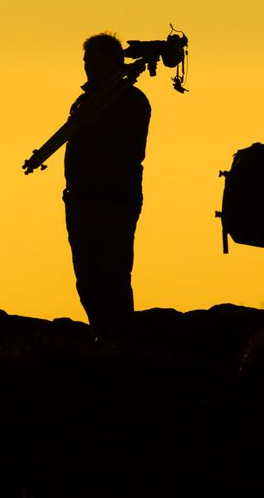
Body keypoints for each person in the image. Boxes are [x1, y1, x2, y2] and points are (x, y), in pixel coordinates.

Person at [63, 33, 151, 343]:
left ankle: (120, 342)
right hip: (80, 200)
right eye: (86, 60)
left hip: (113, 200)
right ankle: (100, 336)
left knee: (113, 274)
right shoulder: (84, 101)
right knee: (86, 278)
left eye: (94, 60)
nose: (87, 66)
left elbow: (130, 150)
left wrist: (97, 123)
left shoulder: (132, 101)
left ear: (114, 62)